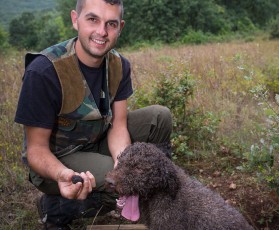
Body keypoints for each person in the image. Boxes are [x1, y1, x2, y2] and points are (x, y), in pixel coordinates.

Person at [14, 0, 173, 229]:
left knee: (159, 117)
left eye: (111, 23)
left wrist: (123, 162)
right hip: (56, 159)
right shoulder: (44, 72)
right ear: (74, 20)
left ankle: (153, 196)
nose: (101, 31)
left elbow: (118, 126)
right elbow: (36, 150)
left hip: (95, 140)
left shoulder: (119, 65)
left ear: (120, 27)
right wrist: (62, 174)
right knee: (116, 181)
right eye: (92, 19)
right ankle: (56, 209)